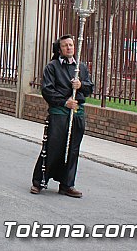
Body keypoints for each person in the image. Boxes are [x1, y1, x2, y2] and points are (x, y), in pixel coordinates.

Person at [30, 35, 93, 198]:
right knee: (53, 147)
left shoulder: (81, 67)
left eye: (71, 45)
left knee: (72, 150)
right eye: (65, 45)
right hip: (59, 114)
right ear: (60, 49)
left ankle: (67, 184)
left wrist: (81, 85)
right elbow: (47, 90)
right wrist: (65, 102)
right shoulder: (52, 67)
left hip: (77, 114)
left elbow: (89, 88)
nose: (69, 48)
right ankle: (39, 181)